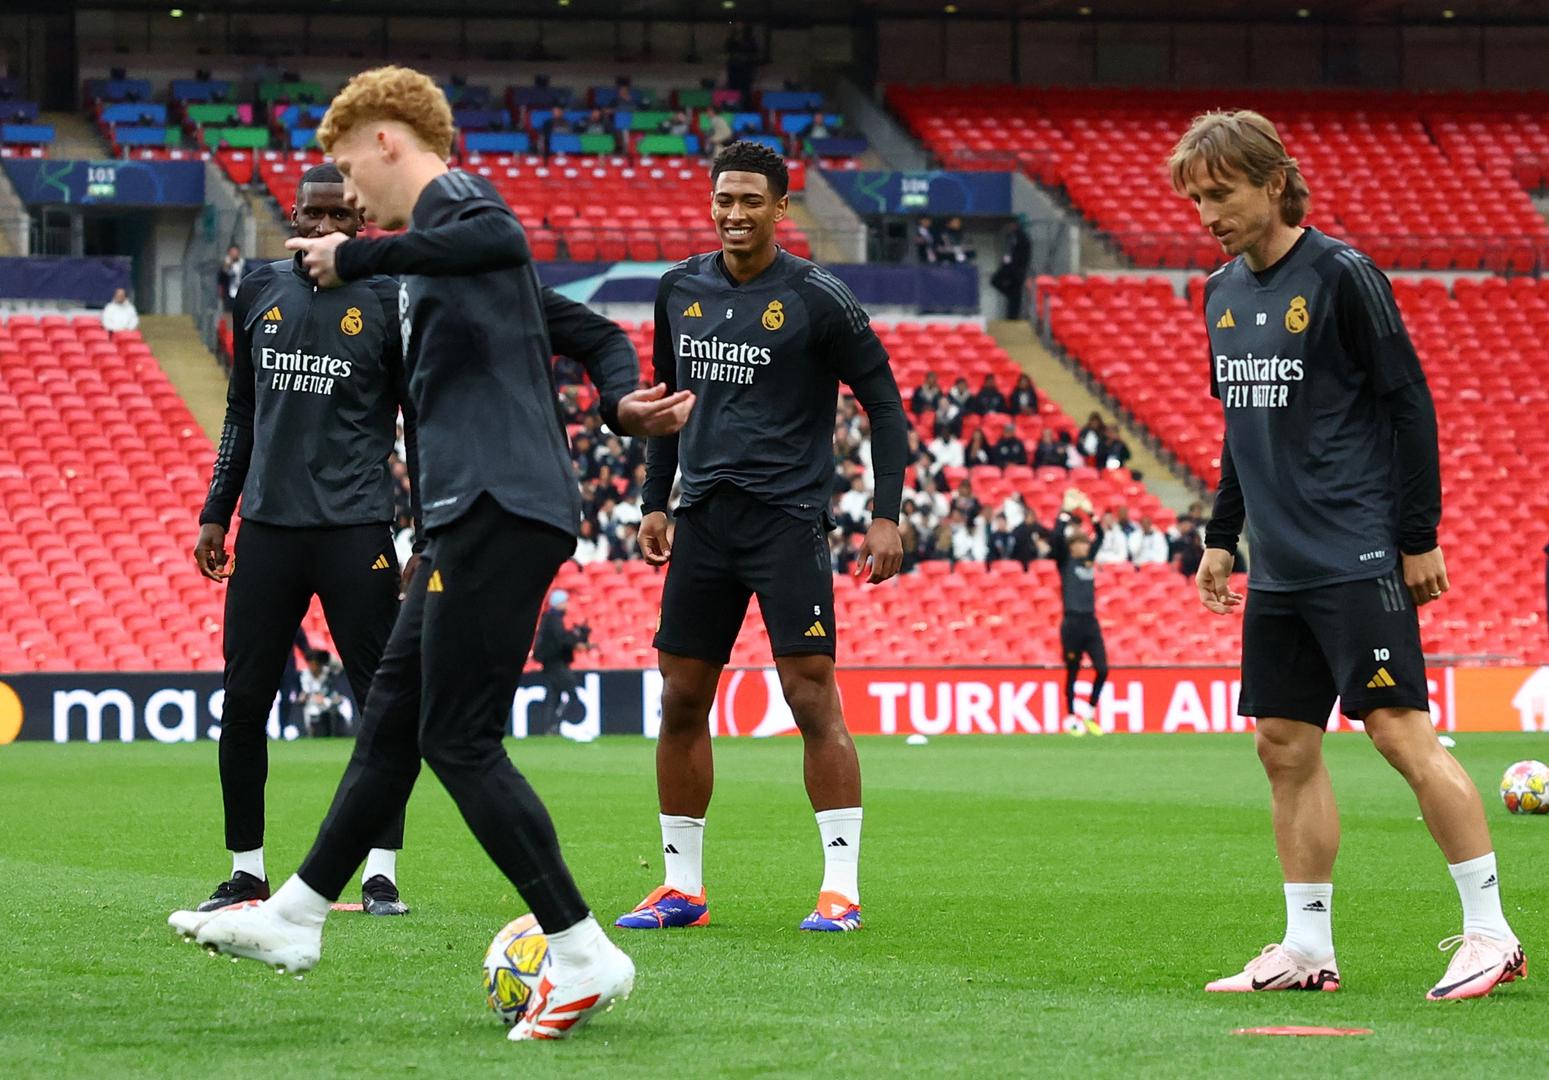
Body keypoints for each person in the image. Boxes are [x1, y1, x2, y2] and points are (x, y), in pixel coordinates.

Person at [171, 66, 695, 1043]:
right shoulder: (437, 268)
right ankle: (293, 917)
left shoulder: (456, 214)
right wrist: (623, 401)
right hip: (466, 514)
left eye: (347, 173)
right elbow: (592, 335)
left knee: (456, 739)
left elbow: (499, 235)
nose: (348, 203)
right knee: (391, 727)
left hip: (502, 502)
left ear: (384, 139)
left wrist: (359, 263)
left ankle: (581, 952)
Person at [1173, 109, 1523, 999]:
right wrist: (1221, 537)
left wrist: (1416, 538)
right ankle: (1305, 948)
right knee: (1283, 745)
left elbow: (1409, 405)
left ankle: (1490, 933)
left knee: (1398, 732)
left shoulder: (1342, 275)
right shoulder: (1216, 294)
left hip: (1356, 550)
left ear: (1273, 182)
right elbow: (1239, 427)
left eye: (1222, 195)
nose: (1208, 214)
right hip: (1280, 566)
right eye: (1196, 199)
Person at [619, 140, 908, 935]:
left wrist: (887, 512)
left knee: (810, 695)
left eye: (752, 201)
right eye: (724, 200)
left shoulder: (818, 297)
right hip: (703, 518)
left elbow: (883, 402)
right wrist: (654, 500)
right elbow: (667, 403)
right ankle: (681, 890)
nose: (735, 214)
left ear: (783, 208)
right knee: (680, 697)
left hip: (787, 520)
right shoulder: (679, 288)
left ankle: (839, 890)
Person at [193, 161, 420, 918]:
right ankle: (246, 870)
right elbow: (240, 412)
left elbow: (418, 423)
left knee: (382, 705)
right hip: (268, 530)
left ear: (360, 224)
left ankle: (380, 872)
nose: (321, 229)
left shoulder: (390, 298)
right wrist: (216, 511)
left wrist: (427, 525)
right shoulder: (258, 288)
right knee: (243, 701)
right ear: (292, 214)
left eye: (336, 217)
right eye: (309, 215)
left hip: (357, 527)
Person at [1049, 489, 1106, 734]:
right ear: (1072, 547)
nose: (1084, 547)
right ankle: (1071, 715)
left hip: (1090, 622)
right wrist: (1066, 512)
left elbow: (1100, 535)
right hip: (1071, 622)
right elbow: (1055, 537)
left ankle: (1090, 712)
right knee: (1072, 671)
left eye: (1085, 543)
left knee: (1103, 669)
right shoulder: (1065, 561)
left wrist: (1091, 514)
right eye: (1080, 543)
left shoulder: (1089, 561)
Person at [532, 590, 588, 736]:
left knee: (554, 696)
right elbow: (561, 640)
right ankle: (555, 723)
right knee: (572, 694)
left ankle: (550, 728)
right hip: (556, 664)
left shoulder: (549, 618)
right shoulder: (553, 619)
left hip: (551, 664)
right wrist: (575, 638)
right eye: (564, 601)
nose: (567, 604)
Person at [299, 649, 348, 738]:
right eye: (310, 664)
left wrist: (325, 656)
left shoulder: (329, 672)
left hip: (330, 701)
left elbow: (339, 666)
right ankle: (312, 733)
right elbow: (305, 692)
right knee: (312, 708)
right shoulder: (305, 674)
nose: (312, 667)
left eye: (314, 664)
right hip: (313, 703)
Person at [991, 219, 1033, 319]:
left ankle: (1013, 317)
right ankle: (1009, 295)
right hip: (1009, 268)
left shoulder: (1022, 238)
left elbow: (1023, 256)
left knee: (1016, 294)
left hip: (1017, 270)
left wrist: (1019, 268)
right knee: (995, 281)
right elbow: (1008, 253)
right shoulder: (1010, 237)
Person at [217, 245, 245, 313]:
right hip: (229, 294)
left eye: (235, 252)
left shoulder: (243, 264)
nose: (233, 254)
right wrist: (226, 267)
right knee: (229, 313)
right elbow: (221, 279)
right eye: (232, 252)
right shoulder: (226, 264)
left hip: (241, 294)